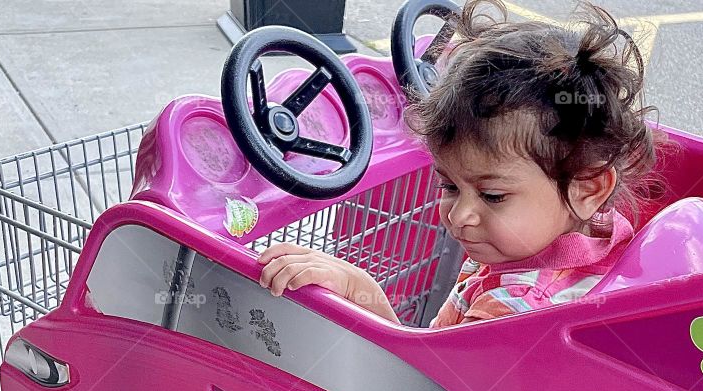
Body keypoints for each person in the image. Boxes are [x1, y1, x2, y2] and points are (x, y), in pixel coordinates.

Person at [257, 0, 663, 327]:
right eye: (450, 186)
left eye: (492, 195)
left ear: (589, 188)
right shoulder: (595, 233)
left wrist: (357, 286)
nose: (460, 216)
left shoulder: (512, 310)